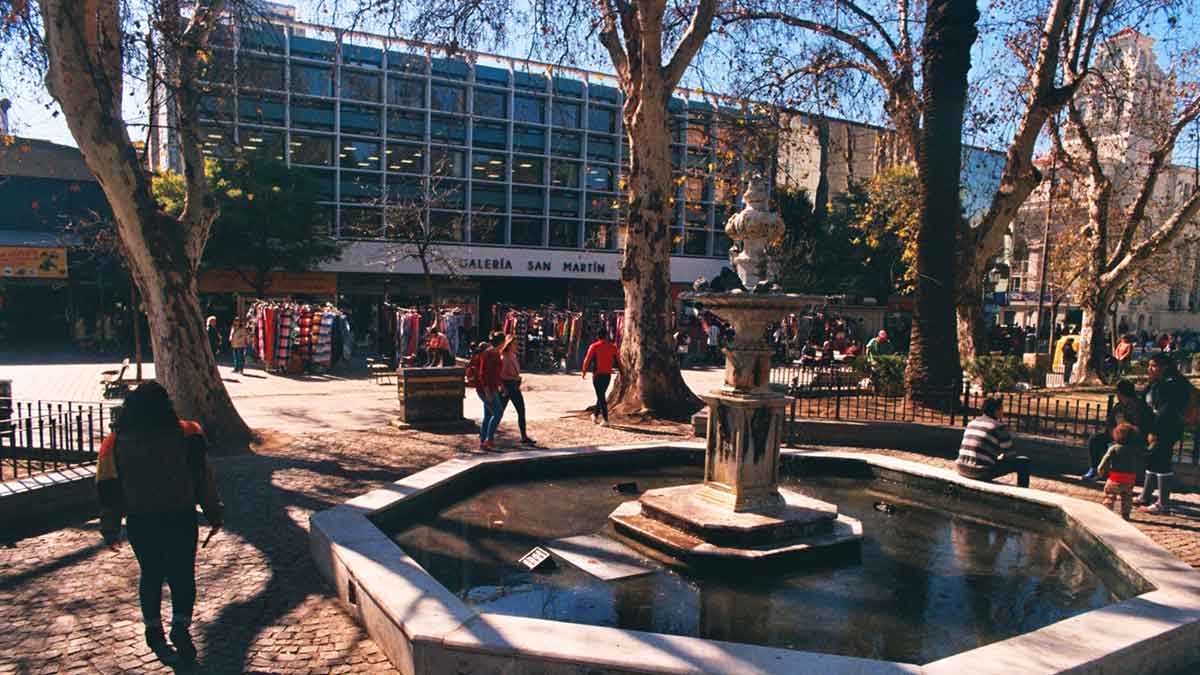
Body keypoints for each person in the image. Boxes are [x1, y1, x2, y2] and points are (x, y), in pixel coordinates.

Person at [95, 382, 223, 663]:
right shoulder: (189, 433)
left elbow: (108, 489)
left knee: (151, 574)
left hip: (141, 520)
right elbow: (203, 478)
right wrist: (214, 512)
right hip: (181, 516)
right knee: (182, 573)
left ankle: (153, 628)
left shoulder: (113, 443)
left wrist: (109, 527)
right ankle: (180, 624)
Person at [1139, 353, 1189, 514]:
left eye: (1153, 366)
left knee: (1162, 461)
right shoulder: (1157, 382)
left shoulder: (1173, 384)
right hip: (1157, 427)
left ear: (1164, 367)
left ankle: (1163, 503)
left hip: (1167, 429)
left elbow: (1166, 411)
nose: (1150, 369)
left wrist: (1155, 431)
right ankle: (1145, 495)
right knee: (1153, 459)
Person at [1083, 379, 1152, 482]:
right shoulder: (1118, 406)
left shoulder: (1138, 406)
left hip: (1132, 437)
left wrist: (1123, 435)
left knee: (1118, 448)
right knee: (1095, 439)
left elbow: (1139, 427)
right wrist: (1113, 433)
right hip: (1116, 434)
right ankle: (1094, 468)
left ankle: (1109, 473)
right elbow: (1110, 422)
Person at [956, 397, 1031, 488]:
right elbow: (1011, 455)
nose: (1003, 412)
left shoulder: (971, 423)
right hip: (980, 471)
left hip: (961, 467)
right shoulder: (998, 427)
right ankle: (1022, 492)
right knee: (1023, 462)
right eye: (1001, 409)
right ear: (996, 411)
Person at [1097, 422, 1142, 520]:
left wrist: (1101, 469)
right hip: (1129, 478)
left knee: (1109, 495)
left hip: (1115, 477)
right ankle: (1125, 514)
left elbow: (1106, 459)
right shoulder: (1134, 449)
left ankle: (1107, 511)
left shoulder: (1114, 448)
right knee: (1127, 497)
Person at [498, 335, 536, 446]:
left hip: (514, 386)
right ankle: (488, 435)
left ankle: (524, 436)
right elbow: (501, 375)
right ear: (509, 345)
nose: (516, 346)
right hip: (508, 386)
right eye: (514, 344)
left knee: (520, 410)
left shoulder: (513, 356)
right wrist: (505, 387)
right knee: (499, 412)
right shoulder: (503, 358)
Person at [469, 334, 506, 451]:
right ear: (502, 342)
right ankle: (489, 441)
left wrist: (501, 385)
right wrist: (487, 391)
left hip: (490, 388)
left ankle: (483, 441)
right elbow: (483, 374)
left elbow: (495, 373)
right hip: (487, 389)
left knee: (488, 415)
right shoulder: (490, 354)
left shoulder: (493, 353)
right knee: (498, 413)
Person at [582, 329, 621, 426]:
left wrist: (584, 371)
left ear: (597, 336)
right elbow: (618, 360)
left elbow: (587, 359)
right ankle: (594, 415)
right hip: (607, 375)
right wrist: (622, 371)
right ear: (606, 336)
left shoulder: (594, 346)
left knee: (601, 396)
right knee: (601, 395)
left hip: (597, 375)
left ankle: (605, 419)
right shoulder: (613, 347)